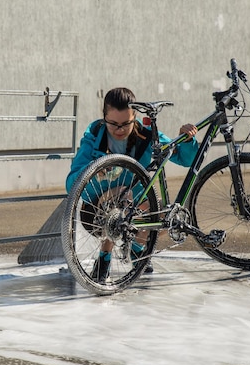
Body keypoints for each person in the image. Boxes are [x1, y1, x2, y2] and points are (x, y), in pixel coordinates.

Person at [66, 87, 198, 282]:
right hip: (96, 213)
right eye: (113, 124)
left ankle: (137, 247)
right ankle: (104, 256)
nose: (119, 130)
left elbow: (184, 160)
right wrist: (94, 173)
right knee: (124, 197)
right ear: (104, 118)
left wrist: (187, 140)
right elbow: (72, 184)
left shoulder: (147, 137)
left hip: (137, 208)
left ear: (134, 117)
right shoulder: (94, 138)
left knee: (166, 216)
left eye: (126, 124)